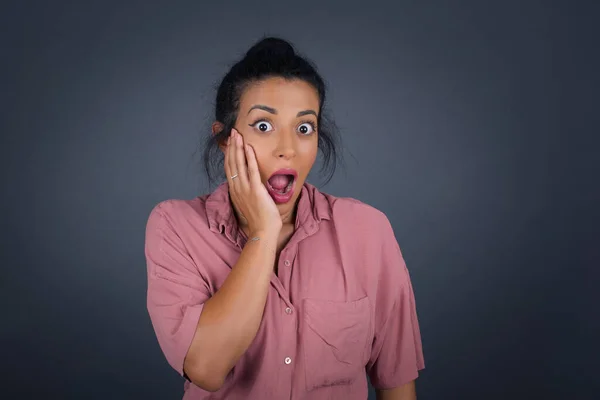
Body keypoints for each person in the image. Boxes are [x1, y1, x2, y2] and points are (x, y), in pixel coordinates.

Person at [144, 37, 425, 400]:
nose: (288, 148)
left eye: (304, 127)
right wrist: (263, 232)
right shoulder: (176, 227)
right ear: (226, 140)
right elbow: (205, 368)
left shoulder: (367, 231)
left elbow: (396, 381)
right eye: (263, 125)